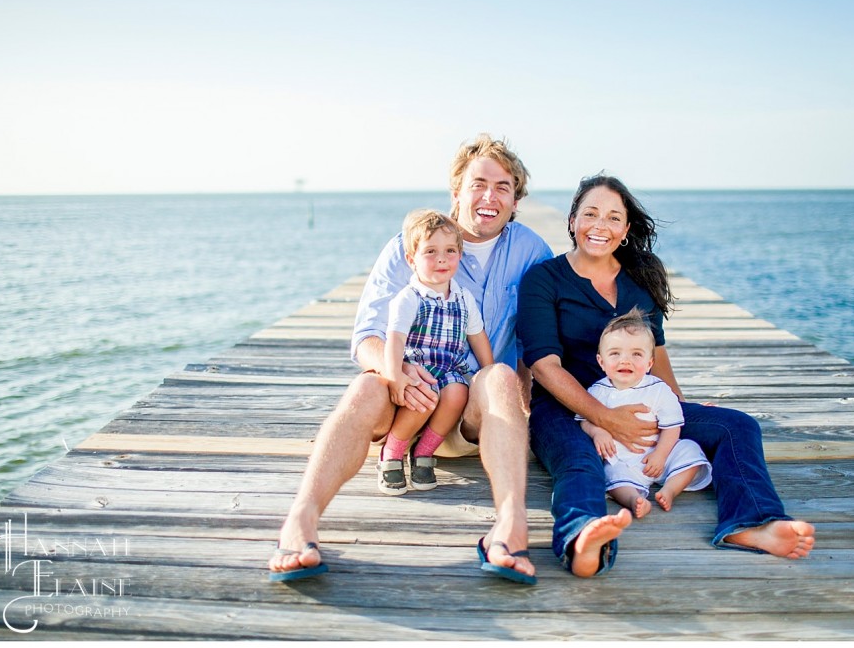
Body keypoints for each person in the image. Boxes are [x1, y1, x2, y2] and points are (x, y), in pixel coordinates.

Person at [268, 134, 552, 584]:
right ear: (456, 192)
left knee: (497, 375)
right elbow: (366, 337)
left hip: (472, 411)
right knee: (365, 383)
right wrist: (396, 371)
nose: (489, 196)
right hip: (406, 405)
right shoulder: (409, 244)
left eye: (503, 187)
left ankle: (509, 527)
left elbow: (543, 345)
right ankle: (299, 523)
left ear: (516, 200)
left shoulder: (533, 252)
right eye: (479, 183)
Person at [517, 173, 816, 578]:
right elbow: (544, 366)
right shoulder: (544, 279)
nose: (599, 226)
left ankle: (751, 524)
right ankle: (582, 539)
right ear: (572, 221)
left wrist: (677, 405)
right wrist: (606, 419)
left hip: (643, 398)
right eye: (590, 214)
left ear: (625, 229)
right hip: (567, 410)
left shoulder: (640, 277)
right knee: (580, 459)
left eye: (612, 217)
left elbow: (656, 352)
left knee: (737, 427)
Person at [377, 209, 494, 495]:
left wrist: (489, 374)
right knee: (426, 397)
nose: (442, 259)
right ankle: (392, 451)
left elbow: (478, 338)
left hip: (450, 369)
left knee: (458, 393)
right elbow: (395, 340)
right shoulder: (409, 298)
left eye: (450, 250)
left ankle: (424, 451)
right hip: (416, 369)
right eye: (431, 251)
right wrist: (394, 377)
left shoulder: (463, 298)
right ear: (411, 259)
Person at [577, 307, 711, 518]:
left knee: (690, 449)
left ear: (649, 363)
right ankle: (634, 499)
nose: (625, 360)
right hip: (622, 459)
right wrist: (597, 432)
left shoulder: (658, 389)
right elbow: (584, 419)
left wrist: (661, 455)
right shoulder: (597, 391)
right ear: (601, 362)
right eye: (615, 353)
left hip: (658, 454)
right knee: (612, 474)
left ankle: (670, 489)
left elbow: (672, 427)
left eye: (636, 354)